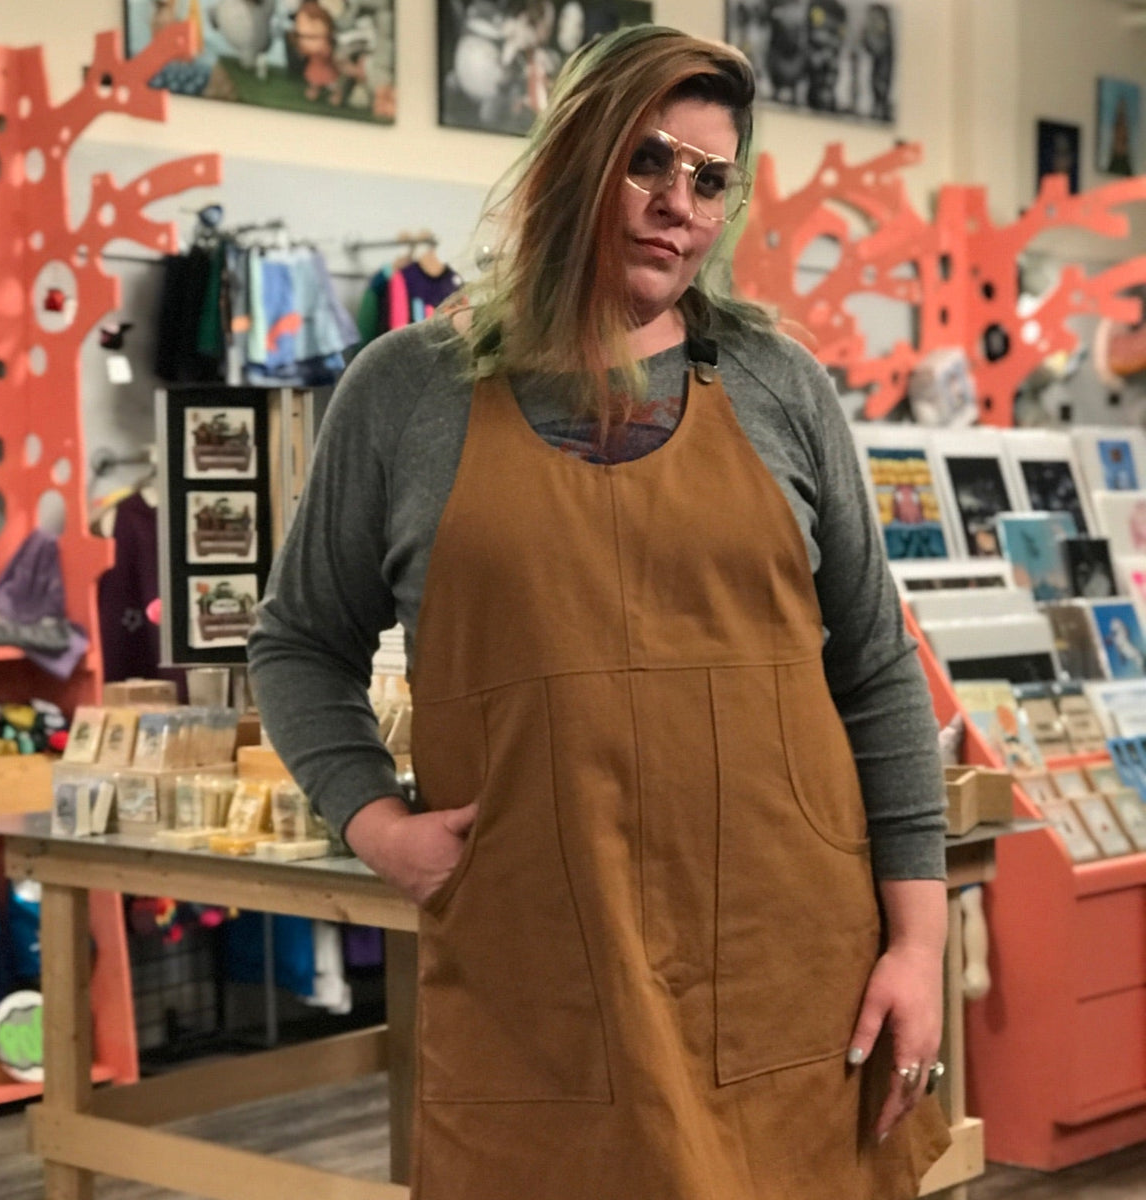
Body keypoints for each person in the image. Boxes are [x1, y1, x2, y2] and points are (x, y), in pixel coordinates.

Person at [249, 23, 951, 1199]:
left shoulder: (781, 384)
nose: (679, 201)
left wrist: (920, 944)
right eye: (649, 160)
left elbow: (877, 670)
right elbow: (299, 642)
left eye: (709, 179)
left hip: (789, 973)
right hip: (542, 983)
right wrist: (373, 824)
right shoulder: (405, 393)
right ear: (575, 154)